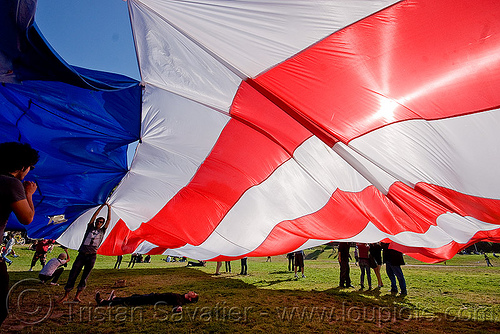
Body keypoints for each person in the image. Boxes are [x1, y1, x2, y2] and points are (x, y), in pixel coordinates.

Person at [0, 141, 39, 325]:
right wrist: (28, 194)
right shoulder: (11, 183)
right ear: (22, 167)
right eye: (30, 167)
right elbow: (27, 218)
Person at [58, 203, 111, 303]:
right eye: (98, 221)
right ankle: (66, 295)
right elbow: (93, 217)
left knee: (85, 276)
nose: (99, 223)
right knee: (73, 273)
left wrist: (109, 208)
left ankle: (77, 296)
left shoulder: (103, 231)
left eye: (101, 222)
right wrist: (101, 207)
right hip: (82, 254)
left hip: (92, 256)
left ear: (102, 224)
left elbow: (108, 220)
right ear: (95, 222)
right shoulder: (90, 227)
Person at [95, 290, 199, 312]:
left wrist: (178, 308)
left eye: (194, 294)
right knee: (134, 296)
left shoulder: (180, 299)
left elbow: (178, 305)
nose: (193, 292)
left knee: (131, 300)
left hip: (151, 299)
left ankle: (104, 302)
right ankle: (114, 299)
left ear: (190, 298)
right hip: (152, 296)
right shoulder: (180, 295)